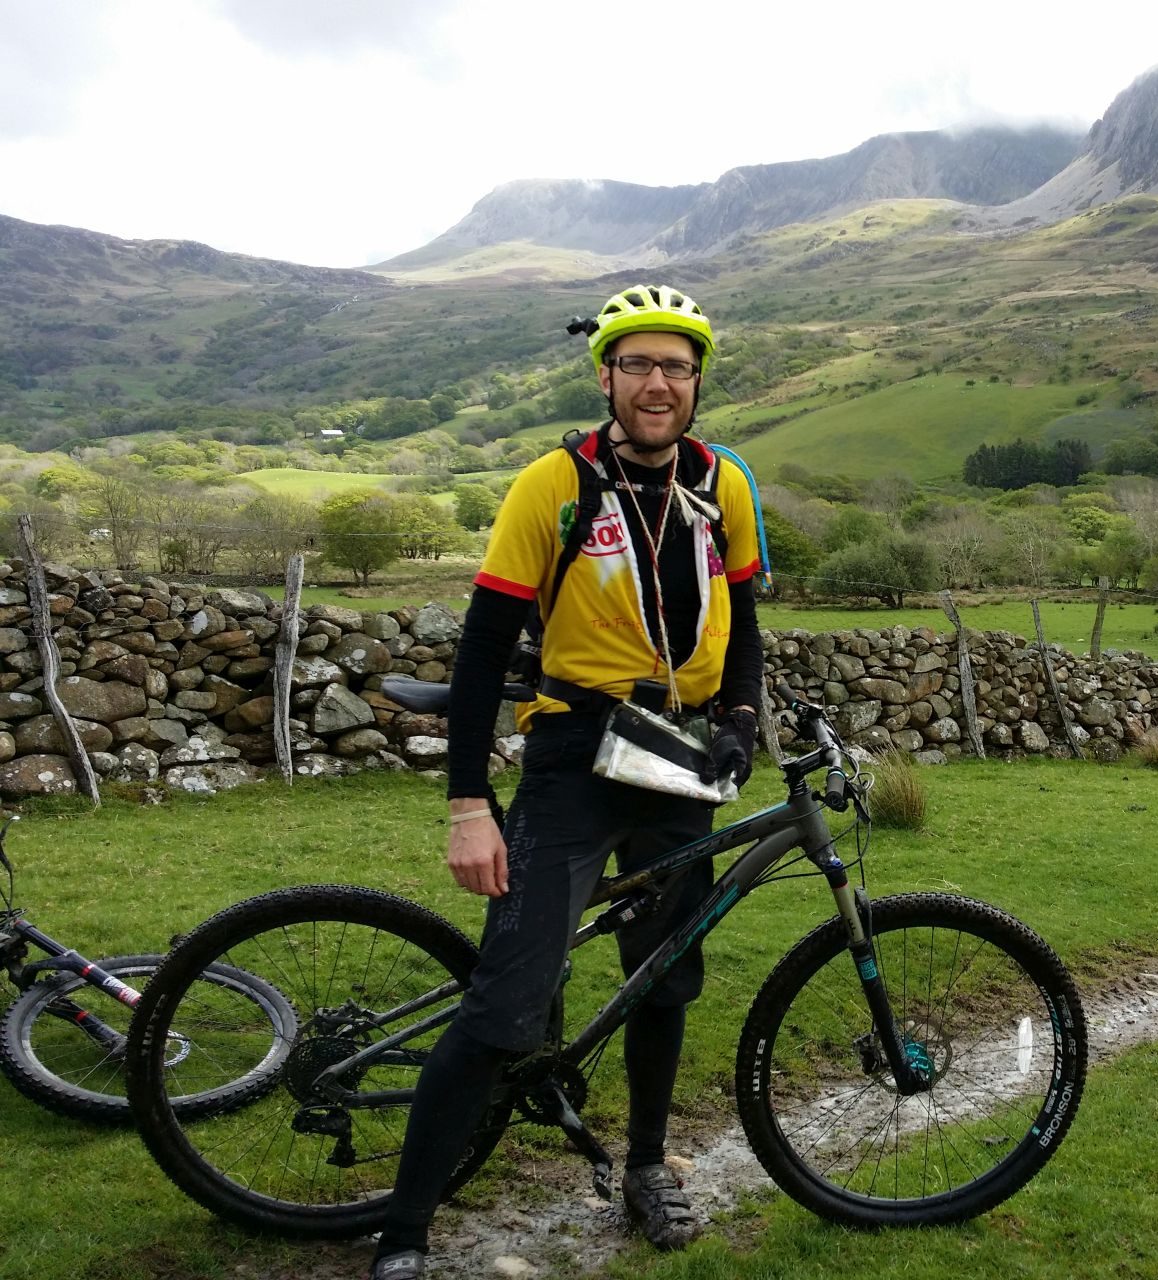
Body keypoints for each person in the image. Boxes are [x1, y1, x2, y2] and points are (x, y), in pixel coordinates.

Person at [369, 285, 764, 1279]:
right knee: (506, 1003)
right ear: (605, 376)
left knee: (663, 977)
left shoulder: (725, 483)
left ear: (697, 380)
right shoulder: (554, 484)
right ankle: (404, 1233)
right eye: (637, 365)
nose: (657, 384)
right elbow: (480, 652)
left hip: (676, 758)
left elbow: (746, 619)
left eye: (675, 367)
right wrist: (468, 806)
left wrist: (741, 718)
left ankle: (646, 1168)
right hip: (575, 753)